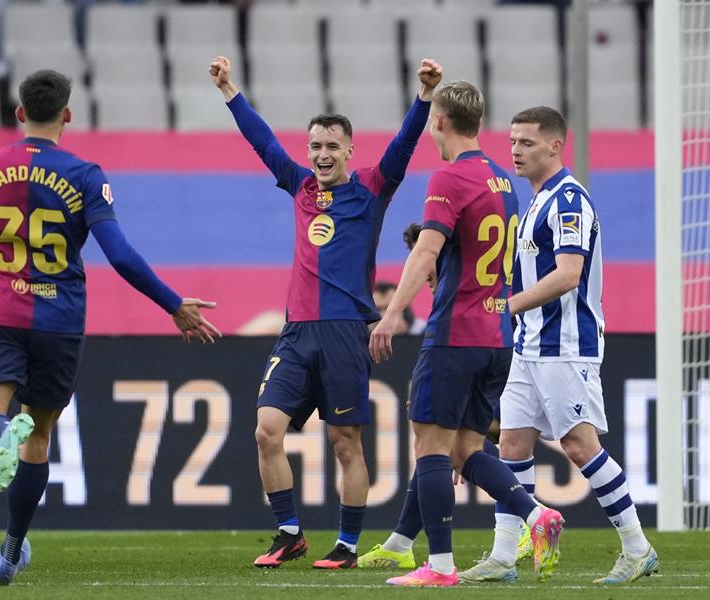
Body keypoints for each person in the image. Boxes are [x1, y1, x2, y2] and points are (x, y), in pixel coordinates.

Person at [0, 69, 220, 586]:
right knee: (38, 437)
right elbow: (120, 255)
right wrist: (172, 303)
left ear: (19, 114)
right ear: (67, 114)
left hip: (0, 315)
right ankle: (12, 547)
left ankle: (1, 439)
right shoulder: (85, 175)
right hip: (59, 321)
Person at [209, 53, 440, 570]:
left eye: (332, 146)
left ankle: (348, 545)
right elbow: (262, 141)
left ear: (349, 150)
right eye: (315, 145)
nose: (321, 154)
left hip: (343, 333)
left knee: (344, 443)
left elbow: (403, 146)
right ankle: (289, 533)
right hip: (296, 333)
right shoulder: (298, 185)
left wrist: (423, 97)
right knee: (266, 430)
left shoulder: (372, 189)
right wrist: (230, 93)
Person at [363, 81, 564, 587]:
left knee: (430, 448)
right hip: (498, 335)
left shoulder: (448, 178)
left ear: (439, 123)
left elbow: (426, 251)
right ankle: (536, 515)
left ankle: (442, 567)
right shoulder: (502, 180)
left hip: (455, 333)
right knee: (465, 450)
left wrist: (391, 315)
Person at [458, 106, 658, 585]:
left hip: (566, 344)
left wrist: (506, 305)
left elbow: (568, 276)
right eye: (512, 142)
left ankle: (637, 547)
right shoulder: (536, 201)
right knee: (511, 441)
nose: (515, 151)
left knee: (578, 444)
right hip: (529, 345)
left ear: (555, 145)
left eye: (526, 142)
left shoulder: (569, 200)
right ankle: (504, 556)